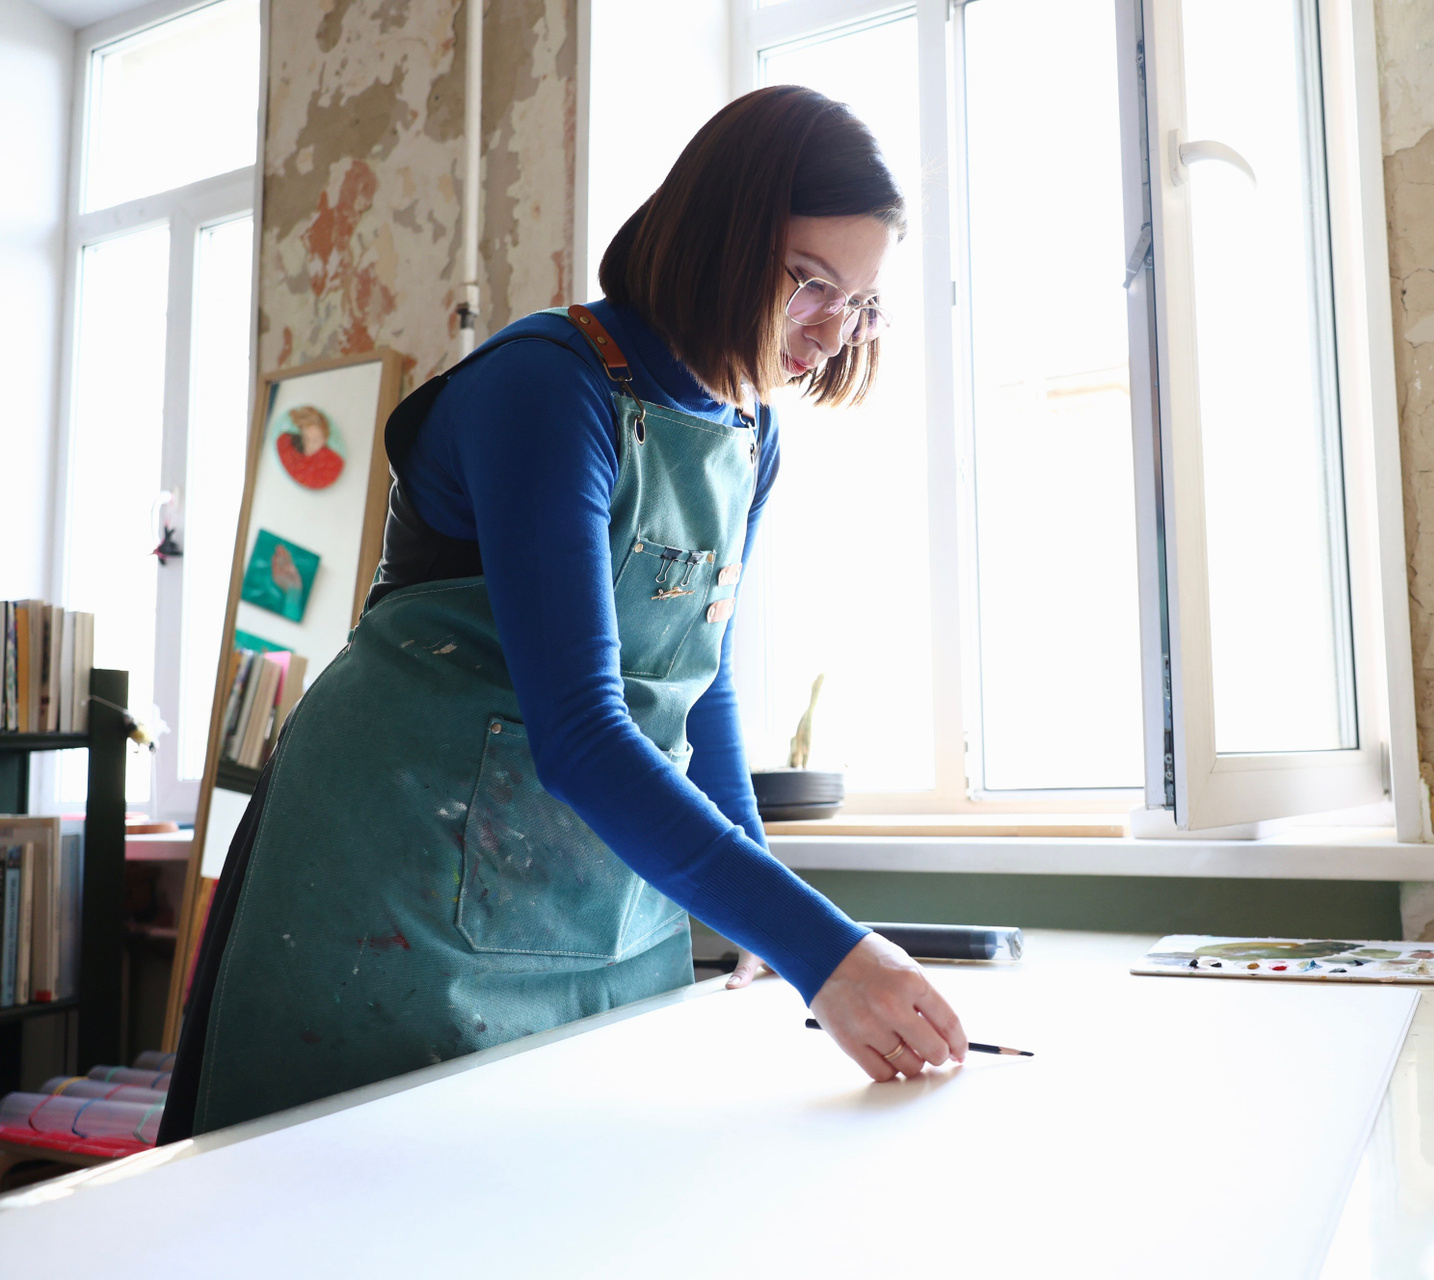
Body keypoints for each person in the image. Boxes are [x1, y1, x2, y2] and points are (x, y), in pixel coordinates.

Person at [160, 86, 966, 1141]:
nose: (832, 330)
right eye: (811, 282)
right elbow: (583, 731)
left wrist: (760, 904)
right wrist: (828, 950)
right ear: (720, 237)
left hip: (588, 889)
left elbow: (698, 676)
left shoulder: (750, 433)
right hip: (397, 867)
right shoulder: (549, 382)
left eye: (860, 302)